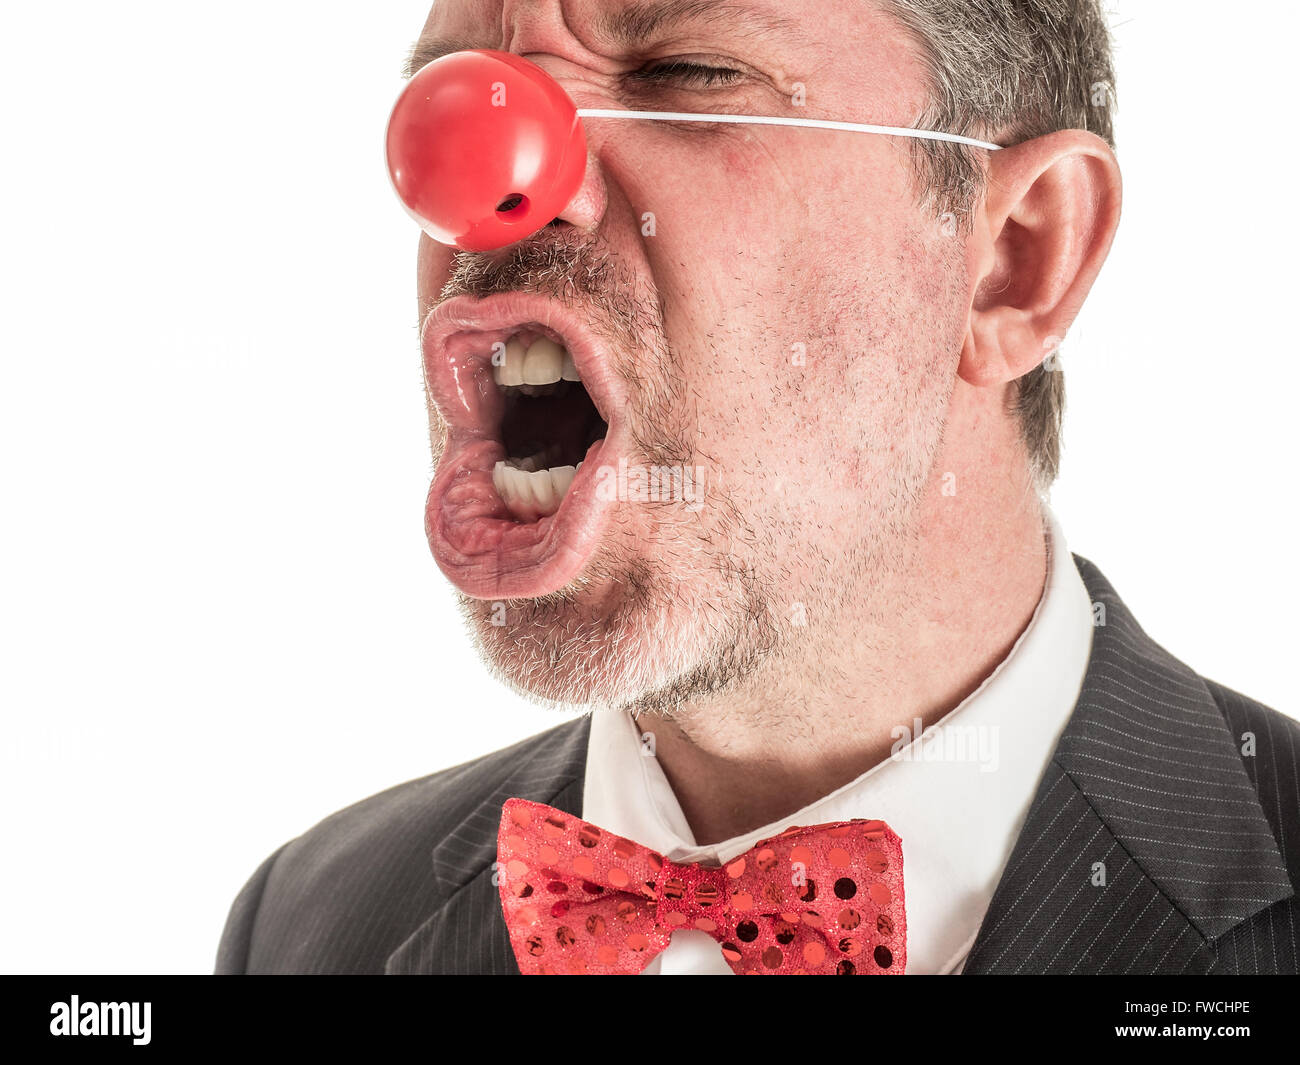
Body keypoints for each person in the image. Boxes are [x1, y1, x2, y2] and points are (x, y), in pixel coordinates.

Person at [216, 0, 1298, 975]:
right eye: (458, 95)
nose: (493, 188)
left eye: (683, 72)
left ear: (1016, 258)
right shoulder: (311, 924)